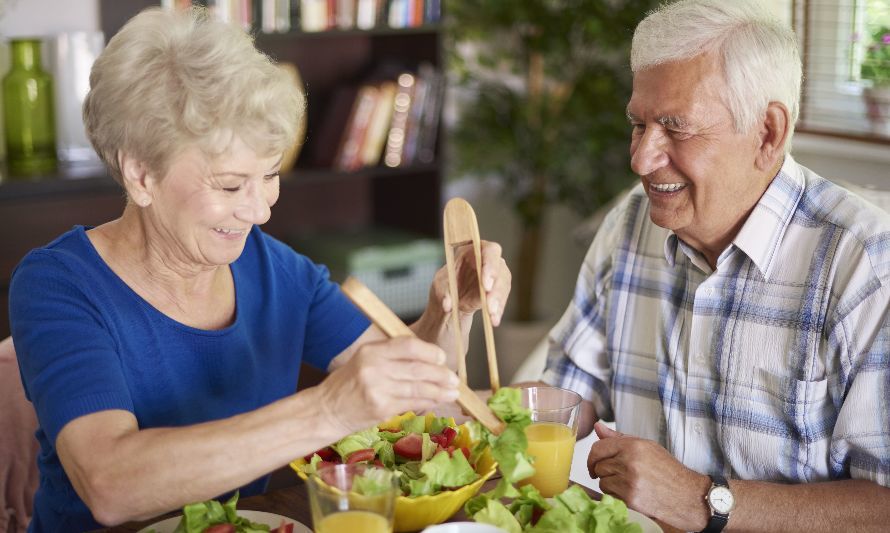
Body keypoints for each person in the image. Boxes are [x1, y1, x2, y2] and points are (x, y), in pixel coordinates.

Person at [8, 7, 511, 532]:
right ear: (141, 175)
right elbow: (110, 485)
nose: (259, 210)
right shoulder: (60, 285)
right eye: (229, 185)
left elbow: (414, 400)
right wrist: (329, 410)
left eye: (269, 175)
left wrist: (450, 309)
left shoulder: (272, 268)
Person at [539, 1, 890, 531]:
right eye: (639, 124)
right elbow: (570, 394)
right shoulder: (629, 225)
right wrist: (450, 368)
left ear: (768, 133)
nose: (640, 160)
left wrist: (702, 499)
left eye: (675, 129)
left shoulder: (865, 267)